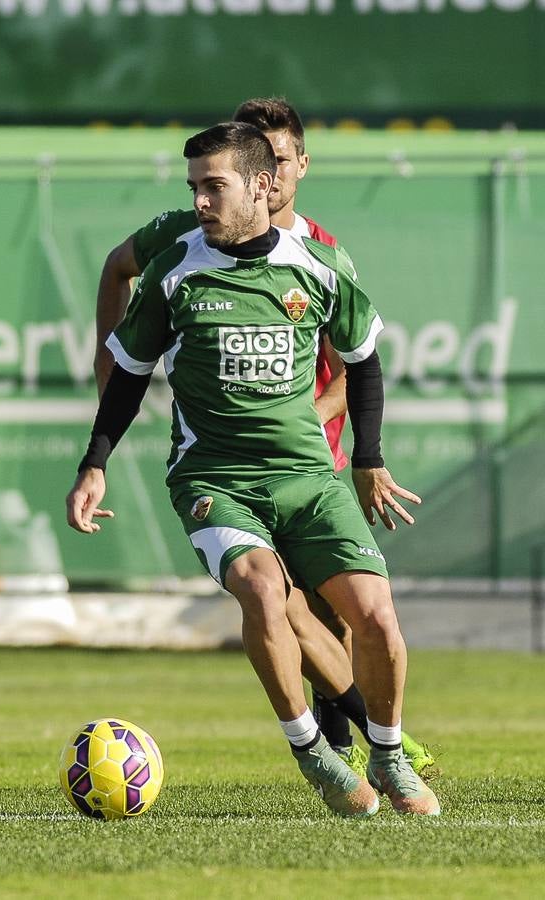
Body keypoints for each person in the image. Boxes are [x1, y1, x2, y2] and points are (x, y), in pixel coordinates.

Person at [68, 122, 440, 817]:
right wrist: (96, 463)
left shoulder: (321, 266)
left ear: (263, 186)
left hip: (309, 479)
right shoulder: (176, 267)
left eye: (214, 186)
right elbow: (129, 377)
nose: (201, 201)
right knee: (263, 591)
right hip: (215, 481)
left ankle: (389, 755)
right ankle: (315, 756)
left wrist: (368, 458)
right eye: (195, 188)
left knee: (378, 620)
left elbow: (363, 363)